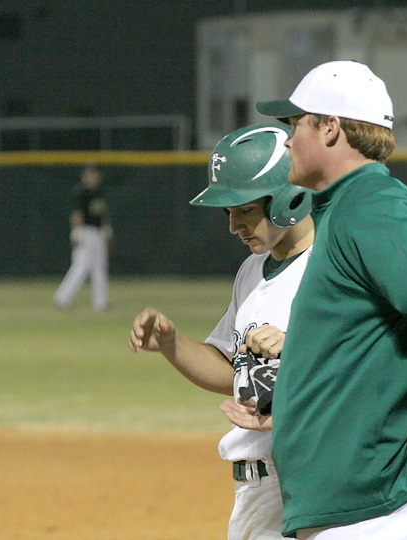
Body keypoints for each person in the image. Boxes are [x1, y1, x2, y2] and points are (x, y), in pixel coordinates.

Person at [254, 60, 407, 540]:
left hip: (378, 510)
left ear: (330, 128)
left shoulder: (370, 205)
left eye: (295, 124)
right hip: (354, 507)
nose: (287, 140)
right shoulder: (346, 208)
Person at [128, 124, 314, 540]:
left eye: (243, 210)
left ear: (285, 198)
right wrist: (174, 346)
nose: (233, 226)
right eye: (227, 213)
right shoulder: (252, 270)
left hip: (311, 480)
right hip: (259, 490)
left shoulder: (334, 268)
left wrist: (298, 350)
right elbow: (234, 373)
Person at [54, 164, 113, 312]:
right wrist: (76, 233)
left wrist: (107, 231)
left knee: (100, 267)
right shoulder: (81, 192)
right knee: (81, 266)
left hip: (98, 233)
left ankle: (101, 302)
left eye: (95, 174)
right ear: (85, 176)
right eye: (91, 174)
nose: (94, 177)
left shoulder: (99, 192)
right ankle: (63, 297)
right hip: (85, 232)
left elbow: (102, 214)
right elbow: (76, 215)